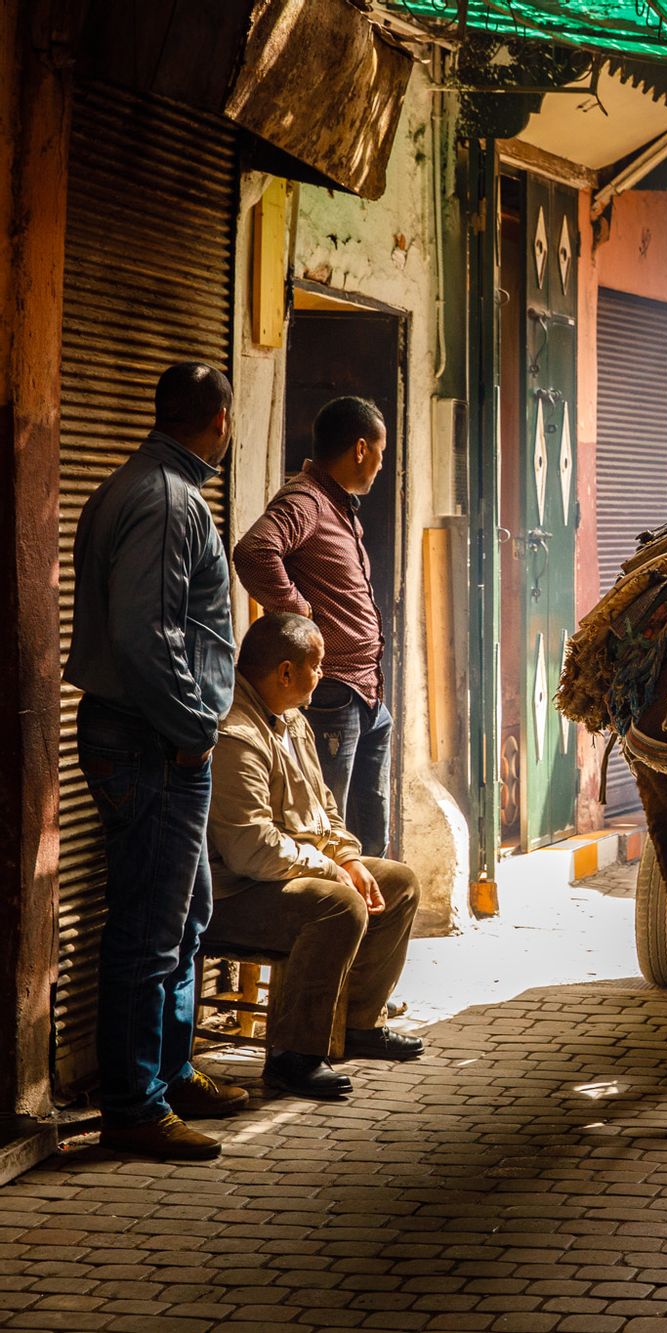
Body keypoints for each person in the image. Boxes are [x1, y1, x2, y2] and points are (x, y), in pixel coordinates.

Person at [66, 362, 242, 1161]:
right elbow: (146, 637)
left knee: (183, 912)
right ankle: (134, 1104)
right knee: (147, 929)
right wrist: (190, 729)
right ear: (220, 421)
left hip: (149, 737)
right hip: (153, 741)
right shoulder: (171, 502)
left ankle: (170, 1072)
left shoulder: (133, 485)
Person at [205, 613, 424, 1100]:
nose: (322, 674)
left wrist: (348, 859)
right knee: (338, 904)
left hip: (287, 871)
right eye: (317, 665)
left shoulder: (292, 719)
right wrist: (332, 871)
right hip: (237, 894)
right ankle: (294, 1056)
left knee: (398, 882)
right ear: (286, 671)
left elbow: (325, 806)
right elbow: (252, 852)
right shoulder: (235, 735)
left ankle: (358, 1024)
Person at [233, 397, 393, 856]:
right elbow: (253, 551)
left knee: (368, 833)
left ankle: (373, 922)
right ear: (360, 448)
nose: (382, 465)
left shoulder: (339, 506)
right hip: (332, 694)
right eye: (381, 453)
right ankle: (335, 921)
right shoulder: (306, 500)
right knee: (327, 828)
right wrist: (299, 613)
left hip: (367, 694)